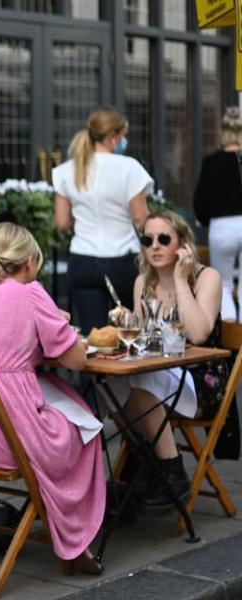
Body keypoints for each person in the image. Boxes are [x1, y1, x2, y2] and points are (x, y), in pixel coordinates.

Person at [0, 222, 105, 574]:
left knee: (64, 405)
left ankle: (58, 521)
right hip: (9, 440)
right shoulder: (30, 294)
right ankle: (74, 535)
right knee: (86, 426)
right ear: (30, 262)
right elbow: (76, 360)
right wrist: (58, 326)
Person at [103, 210, 226, 507]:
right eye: (148, 239)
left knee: (142, 381)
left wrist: (182, 281)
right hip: (160, 374)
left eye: (163, 238)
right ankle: (147, 460)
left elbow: (197, 334)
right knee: (106, 382)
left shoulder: (207, 277)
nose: (154, 245)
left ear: (182, 243)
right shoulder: (143, 281)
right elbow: (144, 344)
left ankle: (172, 471)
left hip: (201, 382)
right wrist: (128, 324)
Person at [53, 106, 153, 332]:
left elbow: (61, 222)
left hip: (82, 259)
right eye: (123, 135)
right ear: (112, 137)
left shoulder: (68, 170)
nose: (124, 140)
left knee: (93, 336)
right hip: (122, 258)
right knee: (132, 331)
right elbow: (140, 218)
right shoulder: (129, 168)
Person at [193, 105, 242, 322]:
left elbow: (200, 202)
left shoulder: (211, 162)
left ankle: (232, 339)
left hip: (221, 227)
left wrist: (205, 220)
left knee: (223, 283)